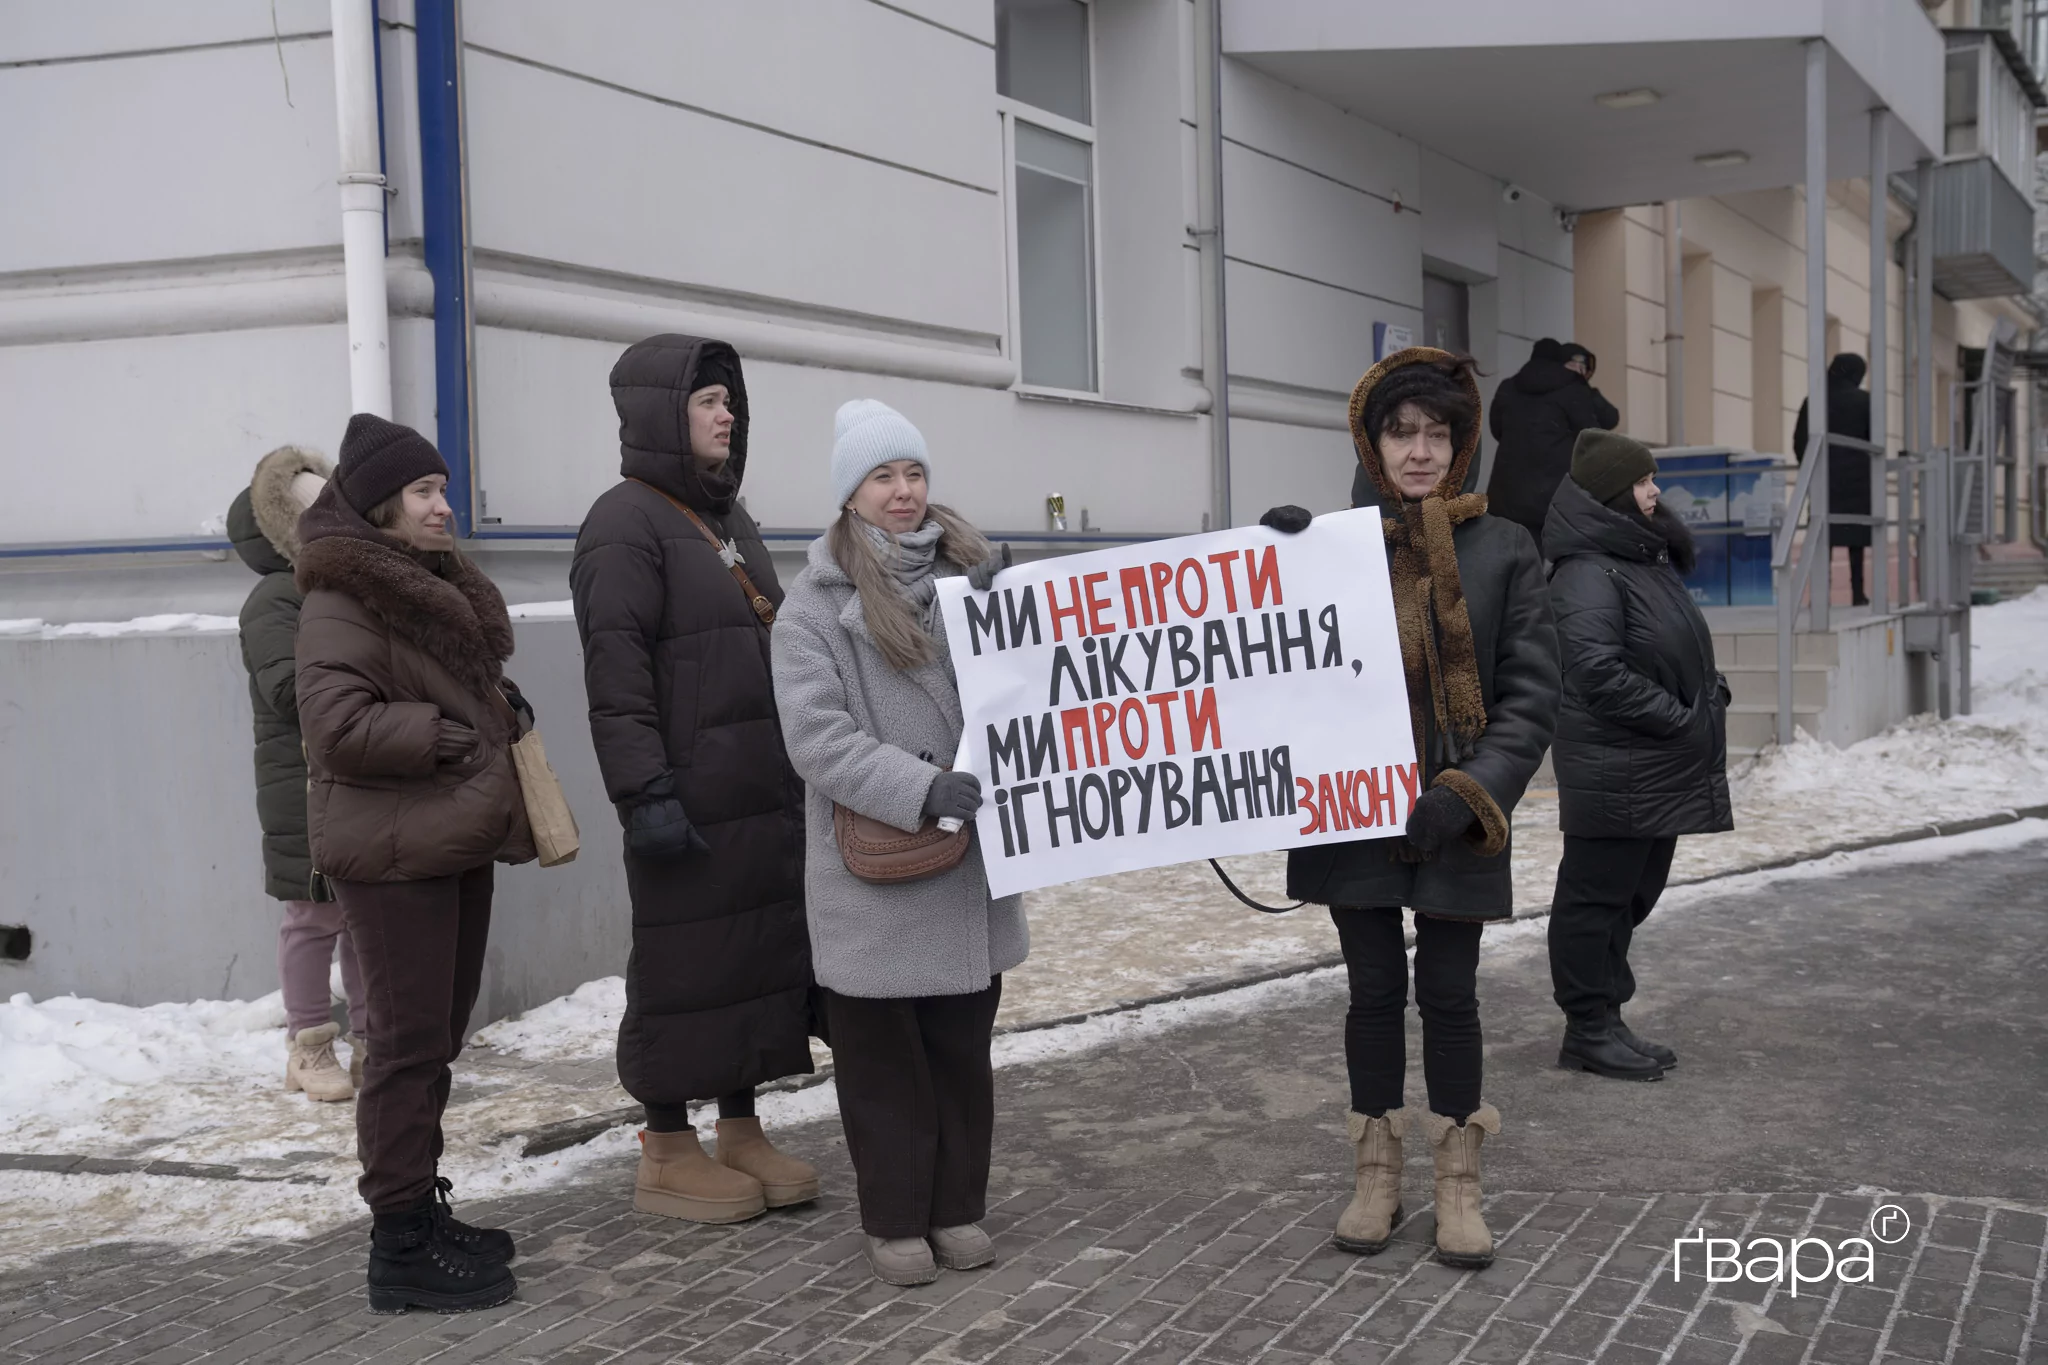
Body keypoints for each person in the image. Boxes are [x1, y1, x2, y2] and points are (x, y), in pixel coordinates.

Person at [1263, 348, 1559, 1271]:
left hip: (1453, 808)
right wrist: (1266, 568)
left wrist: (1469, 791)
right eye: (1403, 433)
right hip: (1354, 807)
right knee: (1373, 992)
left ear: (1462, 443)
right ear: (1373, 441)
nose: (1421, 451)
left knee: (1450, 994)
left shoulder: (1506, 545)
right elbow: (1264, 669)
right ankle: (1376, 1173)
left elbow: (1530, 693)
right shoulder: (1329, 544)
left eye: (1438, 433)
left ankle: (1459, 1183)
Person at [771, 399, 1020, 1288]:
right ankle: (895, 1220)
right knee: (885, 1069)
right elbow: (817, 740)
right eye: (884, 477)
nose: (904, 492)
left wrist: (1016, 614)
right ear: (850, 495)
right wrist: (919, 789)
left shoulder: (974, 580)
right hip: (873, 876)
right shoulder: (809, 610)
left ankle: (956, 1207)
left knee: (960, 1055)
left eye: (913, 473)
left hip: (967, 874)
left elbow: (1035, 687)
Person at [571, 334, 819, 1225]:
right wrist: (646, 796)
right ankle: (668, 1147)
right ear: (659, 412)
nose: (728, 415)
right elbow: (616, 676)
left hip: (758, 791)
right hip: (687, 799)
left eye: (730, 401)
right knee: (683, 966)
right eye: (708, 400)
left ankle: (741, 1127)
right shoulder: (623, 522)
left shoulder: (725, 517)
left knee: (748, 962)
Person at [296, 413, 534, 1314]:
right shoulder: (340, 594)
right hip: (390, 853)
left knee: (436, 1037)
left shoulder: (422, 580)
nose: (445, 506)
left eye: (443, 489)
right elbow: (335, 724)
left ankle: (422, 1204)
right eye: (426, 492)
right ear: (382, 505)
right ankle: (397, 1244)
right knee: (399, 1046)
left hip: (444, 835)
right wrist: (447, 733)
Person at [1543, 430, 1732, 1081]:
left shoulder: (1635, 557)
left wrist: (1711, 692)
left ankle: (1607, 1018)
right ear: (1615, 492)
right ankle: (1586, 1028)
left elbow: (1666, 644)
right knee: (1595, 899)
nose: (1656, 491)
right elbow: (1593, 670)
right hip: (1617, 764)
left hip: (1648, 764)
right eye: (1646, 480)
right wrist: (1680, 717)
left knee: (1630, 895)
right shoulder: (1588, 570)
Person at [228, 445, 368, 1102]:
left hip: (361, 778)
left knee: (367, 915)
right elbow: (289, 691)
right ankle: (308, 1045)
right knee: (313, 917)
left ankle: (371, 1039)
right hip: (302, 785)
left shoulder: (347, 587)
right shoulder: (273, 600)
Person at [1484, 338, 1620, 547]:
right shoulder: (1573, 389)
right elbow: (1592, 434)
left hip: (1507, 493)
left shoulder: (1508, 386)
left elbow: (1496, 429)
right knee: (1561, 562)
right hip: (1553, 493)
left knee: (1515, 559)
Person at [1793, 353, 1875, 606]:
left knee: (1822, 536)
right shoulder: (1865, 401)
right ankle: (1858, 594)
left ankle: (1819, 597)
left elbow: (1800, 442)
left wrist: (1812, 468)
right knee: (1855, 540)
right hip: (1858, 481)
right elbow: (1873, 441)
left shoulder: (1814, 401)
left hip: (1823, 480)